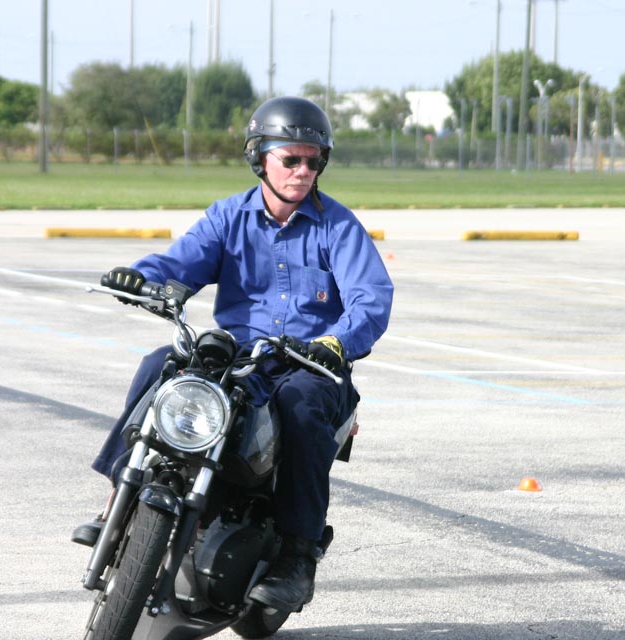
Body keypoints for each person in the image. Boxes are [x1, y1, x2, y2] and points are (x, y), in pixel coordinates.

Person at [81, 96, 394, 613]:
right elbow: (180, 262)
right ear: (259, 158)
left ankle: (298, 556)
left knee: (300, 405)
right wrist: (140, 277)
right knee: (161, 363)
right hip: (241, 357)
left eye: (314, 160)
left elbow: (371, 299)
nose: (303, 171)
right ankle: (119, 498)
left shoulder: (338, 227)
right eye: (290, 159)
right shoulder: (228, 216)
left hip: (312, 365)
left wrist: (336, 342)